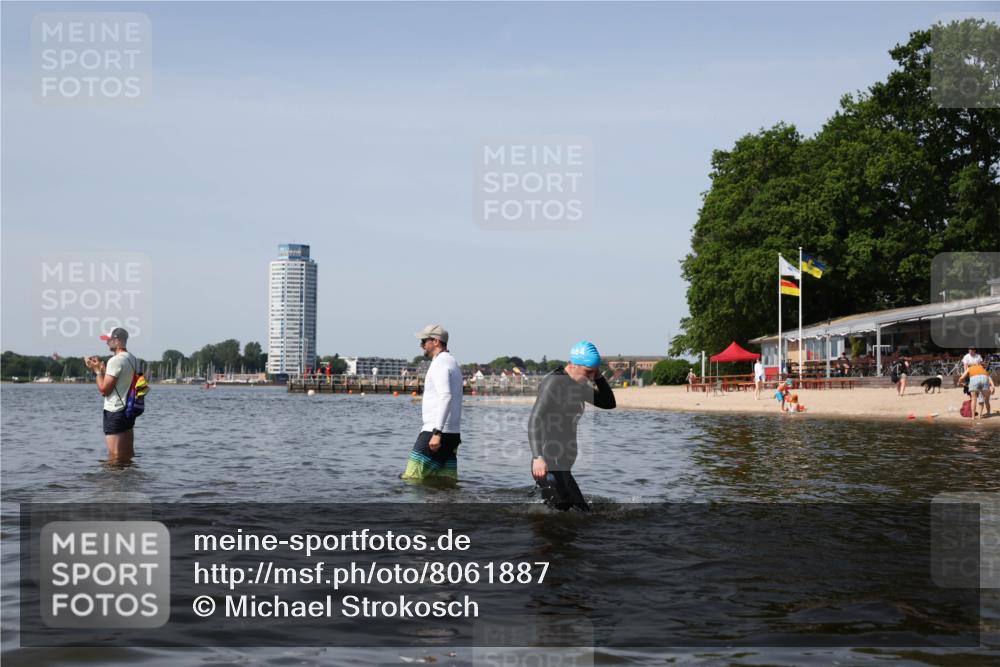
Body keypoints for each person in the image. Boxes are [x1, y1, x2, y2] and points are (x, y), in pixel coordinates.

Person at [529, 341, 615, 512]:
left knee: (581, 511)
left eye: (594, 372)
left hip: (563, 465)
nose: (591, 377)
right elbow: (535, 419)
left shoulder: (580, 385)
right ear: (574, 364)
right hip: (547, 462)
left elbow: (608, 403)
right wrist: (537, 457)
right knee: (562, 510)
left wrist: (599, 377)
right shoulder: (554, 383)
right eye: (588, 372)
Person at [401, 324, 463, 481]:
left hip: (434, 433)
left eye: (424, 340)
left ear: (436, 341)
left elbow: (446, 396)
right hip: (452, 434)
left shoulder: (440, 363)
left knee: (411, 479)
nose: (420, 344)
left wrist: (436, 433)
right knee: (445, 483)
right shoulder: (452, 362)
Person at [83, 327, 139, 465]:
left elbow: (104, 390)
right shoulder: (134, 359)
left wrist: (97, 372)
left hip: (115, 411)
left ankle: (114, 485)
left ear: (117, 340)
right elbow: (124, 382)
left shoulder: (115, 360)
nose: (107, 342)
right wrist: (104, 370)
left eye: (109, 340)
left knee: (114, 456)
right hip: (129, 411)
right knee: (128, 454)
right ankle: (129, 483)